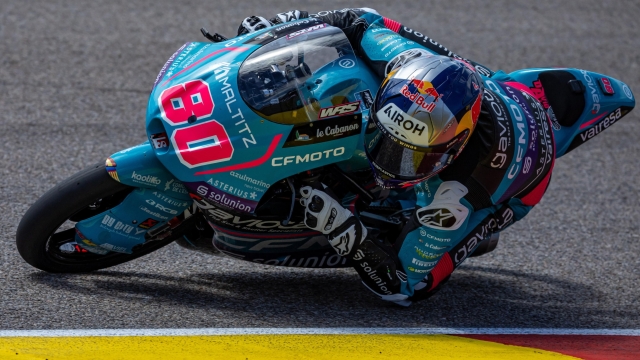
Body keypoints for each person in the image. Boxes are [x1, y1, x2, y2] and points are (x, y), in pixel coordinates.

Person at [238, 8, 555, 306]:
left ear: (452, 148)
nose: (389, 162)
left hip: (515, 184)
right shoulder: (405, 61)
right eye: (386, 139)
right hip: (494, 86)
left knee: (425, 277)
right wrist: (281, 26)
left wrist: (343, 229)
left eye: (411, 156)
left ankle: (478, 227)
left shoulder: (453, 197)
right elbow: (358, 19)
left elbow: (403, 287)